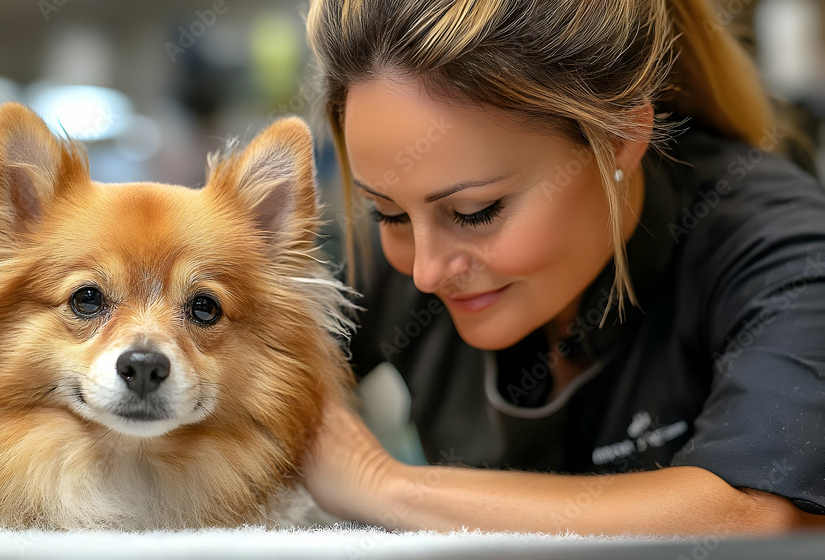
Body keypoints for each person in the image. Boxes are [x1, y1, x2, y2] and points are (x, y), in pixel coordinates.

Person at [300, 0, 825, 535]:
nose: (427, 273)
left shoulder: (779, 245)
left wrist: (383, 485)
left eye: (475, 212)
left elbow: (766, 514)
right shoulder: (416, 235)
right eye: (386, 213)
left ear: (620, 136)